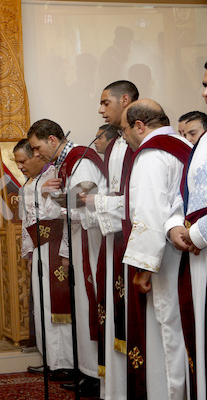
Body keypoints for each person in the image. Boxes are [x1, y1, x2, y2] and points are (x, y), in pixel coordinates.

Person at [28, 119, 107, 397]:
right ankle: (87, 371)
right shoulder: (67, 163)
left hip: (91, 239)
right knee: (82, 307)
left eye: (38, 148)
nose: (36, 155)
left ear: (52, 139)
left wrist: (58, 199)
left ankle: (96, 374)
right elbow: (71, 204)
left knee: (89, 306)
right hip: (78, 238)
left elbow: (87, 201)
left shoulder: (80, 160)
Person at [120, 99, 190, 400]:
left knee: (168, 327)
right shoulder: (185, 146)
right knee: (186, 327)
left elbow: (149, 212)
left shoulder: (151, 155)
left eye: (124, 130)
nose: (124, 137)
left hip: (167, 257)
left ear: (139, 125)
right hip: (189, 249)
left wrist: (143, 268)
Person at [84, 79, 138, 400]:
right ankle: (113, 390)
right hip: (114, 238)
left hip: (127, 240)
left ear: (125, 100)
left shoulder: (134, 143)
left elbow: (131, 199)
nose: (101, 109)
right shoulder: (118, 143)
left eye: (106, 103)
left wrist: (97, 203)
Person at [14, 139, 75, 382]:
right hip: (39, 249)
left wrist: (44, 196)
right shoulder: (30, 182)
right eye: (16, 162)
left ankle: (66, 361)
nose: (19, 166)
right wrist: (30, 253)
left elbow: (63, 210)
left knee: (58, 306)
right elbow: (26, 220)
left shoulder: (54, 175)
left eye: (23, 160)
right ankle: (50, 358)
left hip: (55, 246)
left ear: (38, 156)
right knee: (42, 306)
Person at [165, 62, 207, 400]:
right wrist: (176, 226)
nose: (204, 92)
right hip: (198, 252)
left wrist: (197, 234)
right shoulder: (201, 146)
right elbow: (183, 196)